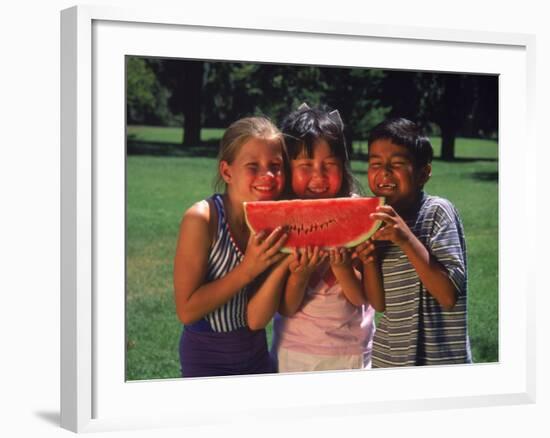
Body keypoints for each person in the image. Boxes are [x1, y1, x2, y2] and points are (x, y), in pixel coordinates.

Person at [173, 116, 292, 378]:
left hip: (257, 354)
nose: (268, 175)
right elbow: (186, 310)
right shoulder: (202, 218)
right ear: (227, 172)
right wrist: (247, 270)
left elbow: (257, 318)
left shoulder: (275, 222)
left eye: (275, 165)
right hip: (206, 361)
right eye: (253, 166)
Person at [354, 117, 472, 367]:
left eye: (396, 164)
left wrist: (406, 238)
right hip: (389, 360)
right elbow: (379, 303)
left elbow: (448, 295)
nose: (384, 172)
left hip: (441, 362)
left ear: (423, 174)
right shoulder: (376, 220)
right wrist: (370, 261)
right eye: (375, 163)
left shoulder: (438, 212)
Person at [271, 104, 376, 372]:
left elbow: (360, 297)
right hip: (294, 351)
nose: (318, 175)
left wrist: (342, 268)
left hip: (350, 352)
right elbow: (286, 306)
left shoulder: (358, 211)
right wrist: (300, 275)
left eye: (329, 164)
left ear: (343, 166)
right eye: (306, 165)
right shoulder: (279, 217)